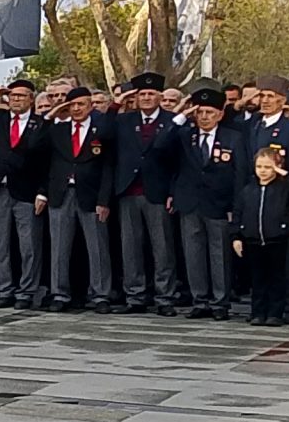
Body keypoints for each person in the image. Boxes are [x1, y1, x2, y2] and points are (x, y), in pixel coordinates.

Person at [0, 79, 51, 310]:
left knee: (29, 245)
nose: (16, 99)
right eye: (13, 96)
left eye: (22, 96)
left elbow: (48, 163)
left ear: (31, 99)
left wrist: (42, 192)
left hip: (27, 191)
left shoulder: (42, 124)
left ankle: (26, 291)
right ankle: (4, 290)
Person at [166, 87, 242, 320]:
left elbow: (240, 175)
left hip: (219, 204)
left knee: (219, 255)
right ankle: (200, 300)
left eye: (210, 112)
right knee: (193, 253)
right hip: (190, 203)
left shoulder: (233, 137)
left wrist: (235, 209)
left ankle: (220, 302)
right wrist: (180, 115)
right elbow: (160, 145)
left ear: (220, 114)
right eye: (200, 112)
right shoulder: (185, 134)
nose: (204, 117)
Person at [107, 72, 179, 315]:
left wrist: (173, 191)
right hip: (129, 190)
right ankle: (135, 296)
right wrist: (117, 103)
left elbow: (179, 161)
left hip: (157, 191)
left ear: (160, 96)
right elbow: (104, 134)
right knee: (131, 248)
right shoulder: (124, 120)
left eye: (151, 94)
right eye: (142, 94)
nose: (147, 98)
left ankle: (165, 297)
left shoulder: (172, 120)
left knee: (162, 249)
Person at [44, 86, 115, 312]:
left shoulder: (100, 130)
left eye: (81, 104)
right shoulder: (59, 130)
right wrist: (53, 113)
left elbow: (108, 167)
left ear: (90, 106)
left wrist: (104, 200)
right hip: (61, 193)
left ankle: (100, 294)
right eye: (72, 105)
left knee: (97, 247)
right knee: (59, 247)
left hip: (91, 195)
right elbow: (35, 145)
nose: (76, 109)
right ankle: (59, 294)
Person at [233, 144, 289, 327]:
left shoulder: (284, 187)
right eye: (260, 167)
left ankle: (275, 313)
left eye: (268, 167)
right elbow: (238, 212)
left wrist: (283, 173)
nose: (263, 171)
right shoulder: (248, 189)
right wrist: (236, 236)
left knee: (277, 278)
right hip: (253, 239)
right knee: (258, 279)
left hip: (278, 239)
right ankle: (258, 312)